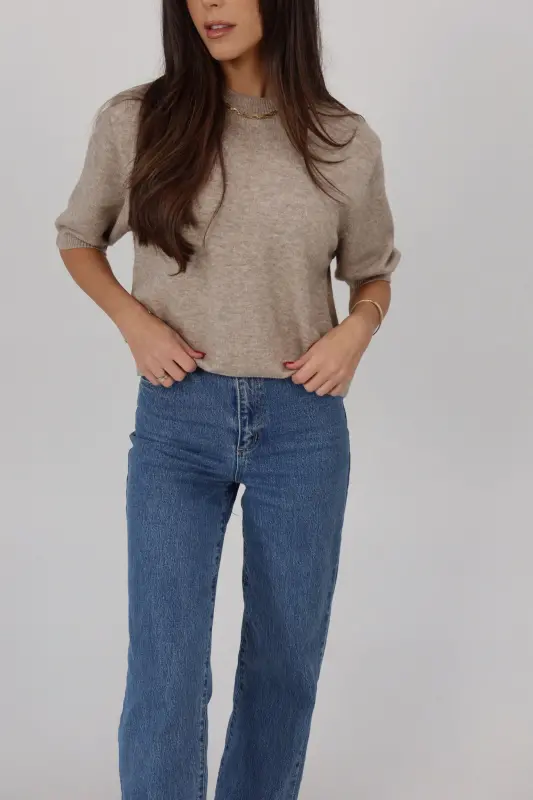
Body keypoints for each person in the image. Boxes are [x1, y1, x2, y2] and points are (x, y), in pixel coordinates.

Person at [54, 0, 401, 797]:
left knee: (284, 659)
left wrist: (356, 331)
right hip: (177, 418)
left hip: (303, 426)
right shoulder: (138, 120)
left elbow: (371, 271)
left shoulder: (343, 139)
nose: (207, 3)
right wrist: (136, 324)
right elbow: (78, 236)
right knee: (166, 665)